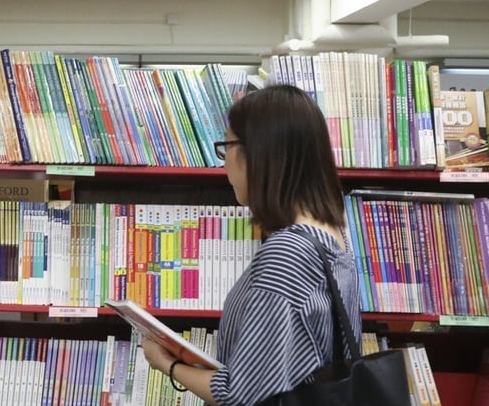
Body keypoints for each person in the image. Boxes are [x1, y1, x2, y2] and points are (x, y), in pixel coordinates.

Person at [141, 84, 361, 405]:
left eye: (226, 146)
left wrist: (169, 364)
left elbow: (242, 397)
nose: (224, 164)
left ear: (258, 153)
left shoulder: (288, 253)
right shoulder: (332, 236)